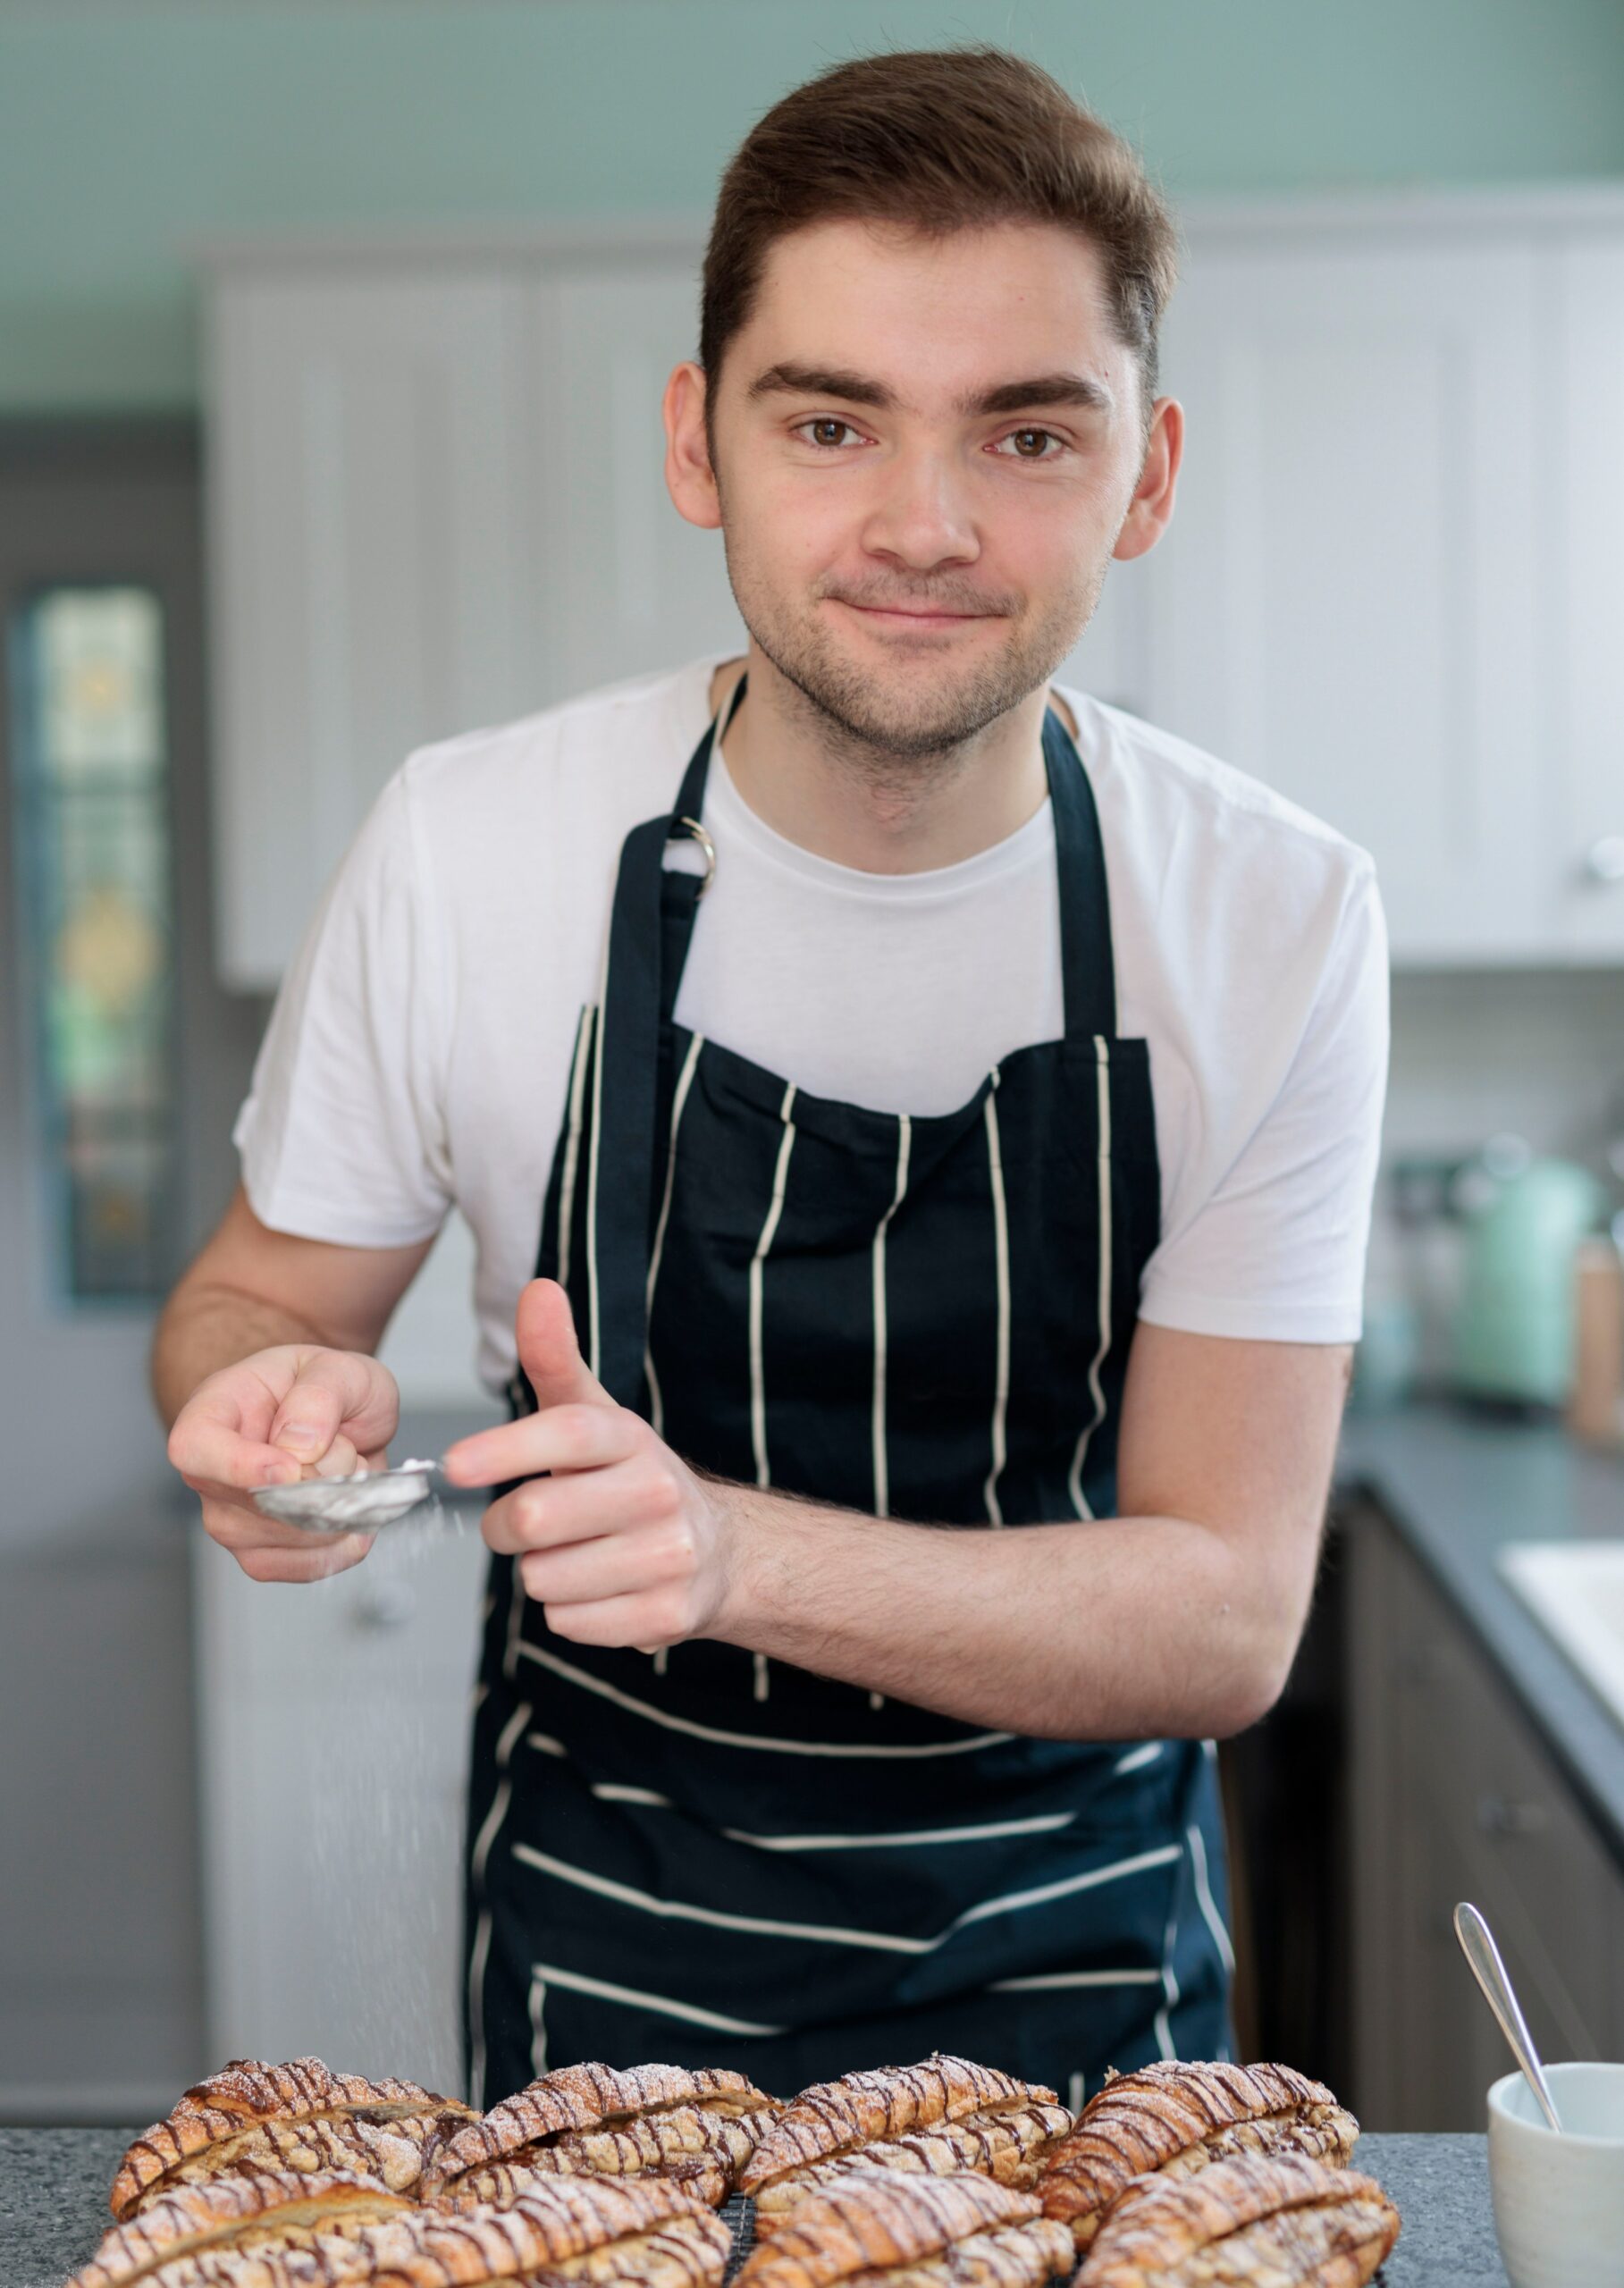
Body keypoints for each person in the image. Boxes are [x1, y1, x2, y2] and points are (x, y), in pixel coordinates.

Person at [156, 47, 1388, 2110]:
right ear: (697, 441)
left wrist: (735, 1556)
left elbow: (1225, 1613)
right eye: (832, 421)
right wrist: (258, 1391)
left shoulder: (1269, 914)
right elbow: (260, 1292)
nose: (925, 523)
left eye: (1026, 431)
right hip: (608, 1987)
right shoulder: (471, 847)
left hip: (1081, 1994)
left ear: (1147, 475)